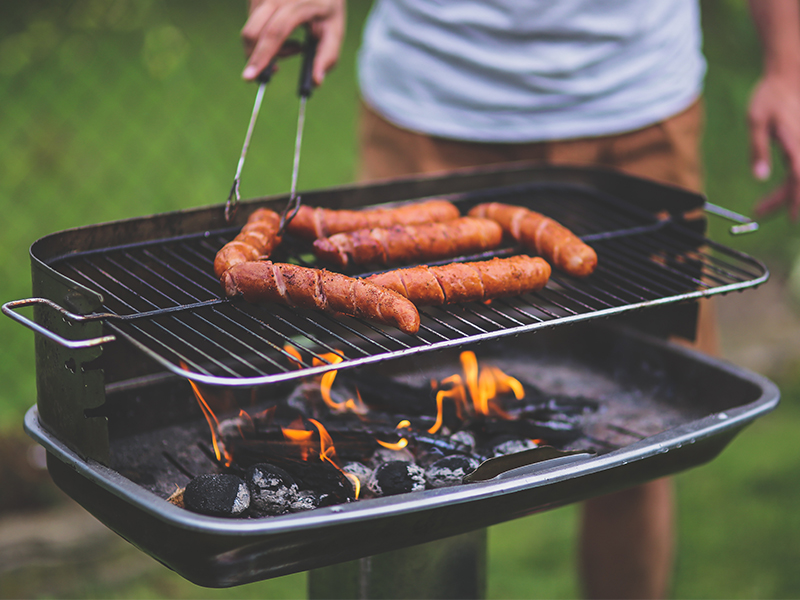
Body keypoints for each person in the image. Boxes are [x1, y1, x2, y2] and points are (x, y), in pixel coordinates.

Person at [241, 1, 800, 597]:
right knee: (391, 457)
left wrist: (787, 67)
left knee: (642, 445)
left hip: (635, 103)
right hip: (432, 98)